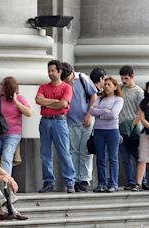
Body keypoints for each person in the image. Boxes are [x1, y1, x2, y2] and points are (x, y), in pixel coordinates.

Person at [35, 60, 76, 193]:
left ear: (59, 71)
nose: (50, 73)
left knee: (64, 152)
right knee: (45, 153)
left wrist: (47, 103)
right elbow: (38, 100)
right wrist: (55, 102)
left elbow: (64, 104)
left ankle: (70, 182)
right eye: (49, 71)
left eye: (53, 71)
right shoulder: (43, 87)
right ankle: (48, 182)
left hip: (60, 121)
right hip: (45, 121)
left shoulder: (66, 87)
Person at [61, 62, 97, 192]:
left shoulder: (82, 78)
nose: (67, 81)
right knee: (73, 151)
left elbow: (94, 96)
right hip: (70, 121)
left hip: (86, 120)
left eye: (68, 78)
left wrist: (89, 114)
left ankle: (84, 179)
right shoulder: (62, 82)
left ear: (71, 74)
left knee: (85, 151)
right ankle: (74, 178)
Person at [0, 76, 31, 175]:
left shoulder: (19, 98)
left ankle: (5, 184)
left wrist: (16, 102)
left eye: (3, 85)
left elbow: (28, 113)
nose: (0, 87)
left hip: (12, 133)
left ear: (8, 88)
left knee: (6, 156)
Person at [90, 77, 124, 193]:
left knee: (113, 158)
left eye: (109, 84)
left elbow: (114, 114)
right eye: (105, 84)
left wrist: (100, 113)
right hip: (99, 130)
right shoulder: (99, 99)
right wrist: (105, 111)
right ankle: (102, 183)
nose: (106, 86)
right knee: (100, 158)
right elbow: (92, 111)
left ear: (115, 87)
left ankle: (113, 183)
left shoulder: (118, 99)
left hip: (112, 130)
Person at [118, 65, 149, 190]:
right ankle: (131, 181)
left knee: (138, 156)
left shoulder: (139, 92)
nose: (124, 81)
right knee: (125, 156)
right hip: (121, 127)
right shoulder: (120, 89)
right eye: (122, 78)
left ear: (132, 77)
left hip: (134, 128)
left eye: (126, 78)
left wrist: (133, 124)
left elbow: (141, 111)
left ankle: (142, 180)